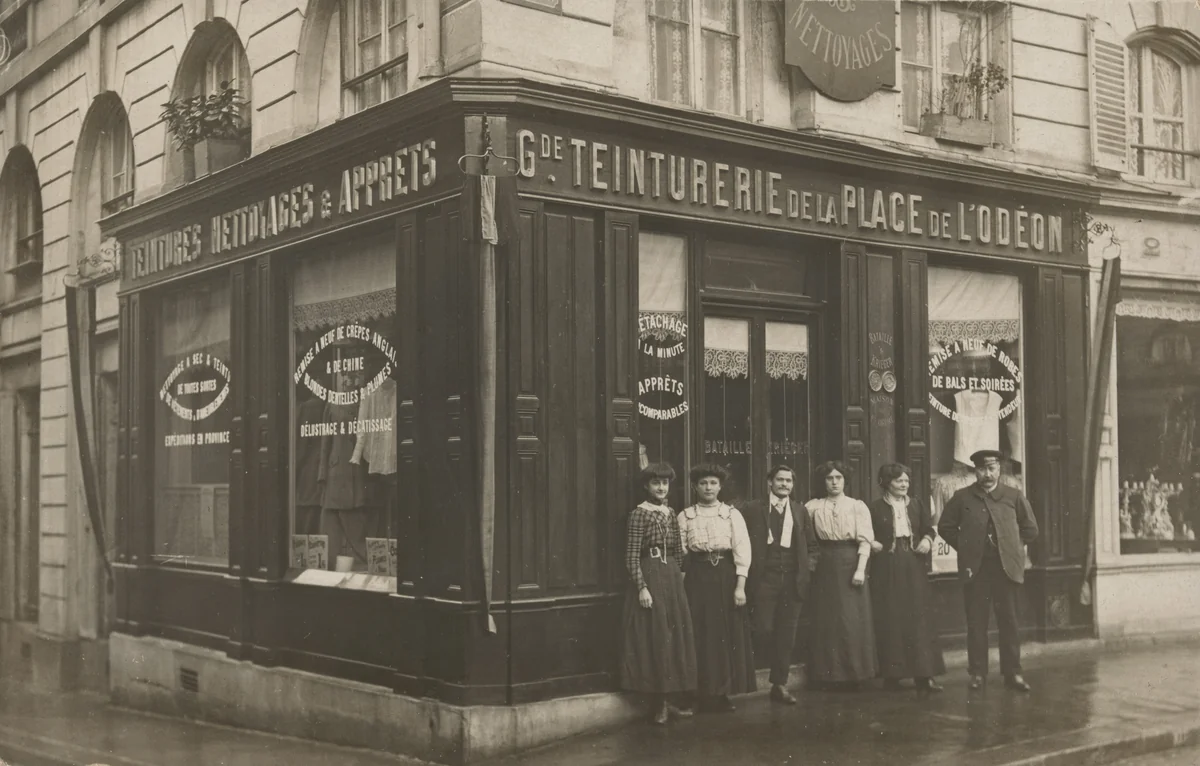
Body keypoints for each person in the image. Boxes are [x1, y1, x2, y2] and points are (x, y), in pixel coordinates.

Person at [938, 449, 1040, 692]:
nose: (987, 473)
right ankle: (977, 674)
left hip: (1006, 570)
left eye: (992, 468)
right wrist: (967, 546)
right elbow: (945, 527)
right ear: (975, 471)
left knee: (1009, 622)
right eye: (982, 469)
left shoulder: (1013, 496)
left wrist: (1011, 547)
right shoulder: (962, 497)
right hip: (976, 570)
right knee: (976, 624)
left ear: (999, 469)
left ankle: (1013, 673)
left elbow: (1031, 529)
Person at [620, 463, 697, 724]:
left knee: (674, 636)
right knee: (656, 636)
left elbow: (678, 550)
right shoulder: (638, 514)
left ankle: (670, 700)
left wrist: (680, 578)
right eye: (656, 483)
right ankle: (659, 705)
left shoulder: (670, 512)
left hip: (671, 576)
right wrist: (642, 587)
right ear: (646, 486)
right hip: (650, 574)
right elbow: (631, 556)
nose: (661, 487)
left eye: (665, 483)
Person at [678, 463, 755, 712]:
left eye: (713, 483)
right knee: (699, 633)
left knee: (724, 634)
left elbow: (742, 550)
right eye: (703, 483)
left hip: (725, 576)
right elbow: (680, 553)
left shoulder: (732, 514)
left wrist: (740, 587)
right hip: (697, 578)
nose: (708, 488)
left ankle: (721, 693)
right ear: (694, 487)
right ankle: (697, 693)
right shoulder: (685, 516)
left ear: (720, 487)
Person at [867, 463, 945, 692]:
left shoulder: (917, 504)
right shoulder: (874, 508)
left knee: (919, 618)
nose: (904, 485)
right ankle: (892, 675)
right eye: (898, 480)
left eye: (906, 481)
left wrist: (927, 541)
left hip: (913, 563)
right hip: (886, 565)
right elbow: (865, 533)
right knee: (891, 617)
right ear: (886, 482)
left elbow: (929, 529)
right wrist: (872, 543)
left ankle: (925, 675)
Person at [742, 464, 813, 704]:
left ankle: (779, 684)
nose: (784, 484)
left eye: (788, 481)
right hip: (764, 580)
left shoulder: (800, 510)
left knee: (787, 634)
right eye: (780, 480)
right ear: (770, 482)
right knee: (762, 628)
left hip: (793, 581)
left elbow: (812, 546)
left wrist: (807, 569)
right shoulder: (753, 509)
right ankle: (747, 680)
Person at [804, 461, 878, 687]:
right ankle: (827, 675)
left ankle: (855, 674)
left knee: (851, 618)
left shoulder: (857, 506)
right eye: (829, 478)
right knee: (826, 619)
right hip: (824, 564)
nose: (834, 482)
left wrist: (860, 569)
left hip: (850, 562)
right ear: (823, 481)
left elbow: (865, 540)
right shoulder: (812, 507)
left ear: (845, 480)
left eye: (838, 478)